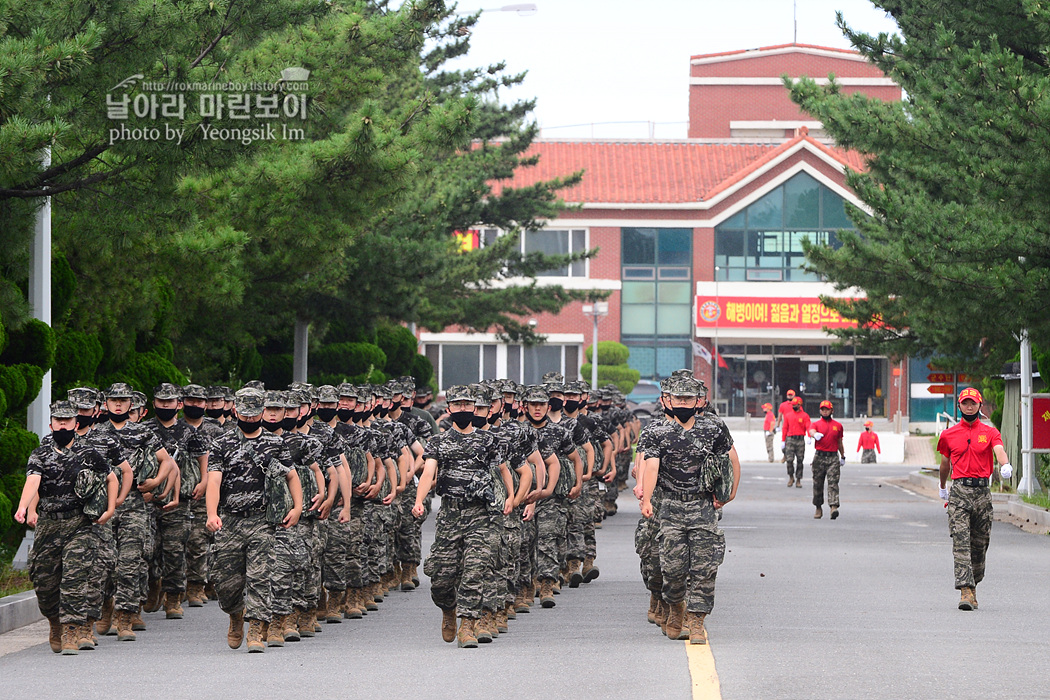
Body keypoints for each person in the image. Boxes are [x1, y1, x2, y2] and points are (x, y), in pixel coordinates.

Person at [640, 375, 738, 645]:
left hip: (703, 506)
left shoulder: (713, 428)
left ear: (698, 400)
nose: (683, 402)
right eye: (678, 398)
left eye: (688, 398)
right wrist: (647, 500)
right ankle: (674, 607)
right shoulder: (656, 431)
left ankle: (696, 621)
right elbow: (650, 466)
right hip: (670, 506)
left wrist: (728, 493)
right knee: (672, 569)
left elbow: (729, 459)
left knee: (705, 567)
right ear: (668, 400)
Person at [15, 401, 118, 654]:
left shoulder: (89, 453)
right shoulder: (40, 454)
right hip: (49, 524)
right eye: (58, 420)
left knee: (75, 577)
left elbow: (111, 477)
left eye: (68, 420)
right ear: (51, 425)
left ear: (75, 423)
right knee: (45, 582)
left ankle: (71, 630)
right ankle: (54, 621)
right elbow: (33, 480)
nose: (63, 424)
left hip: (79, 523)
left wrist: (111, 508)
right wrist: (23, 506)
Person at [206, 389, 303, 652]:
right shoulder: (222, 444)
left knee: (260, 577)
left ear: (262, 413)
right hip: (230, 521)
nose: (249, 419)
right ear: (236, 412)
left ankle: (256, 630)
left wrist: (297, 507)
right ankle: (236, 615)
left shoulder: (275, 443)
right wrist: (212, 514)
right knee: (227, 583)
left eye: (254, 414)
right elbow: (214, 481)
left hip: (262, 520)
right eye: (244, 414)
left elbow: (291, 476)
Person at [413, 385, 505, 648]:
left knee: (475, 571)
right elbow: (429, 473)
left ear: (474, 408)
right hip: (450, 515)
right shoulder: (438, 442)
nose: (463, 409)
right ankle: (448, 610)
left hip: (480, 515)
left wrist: (508, 499)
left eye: (468, 405)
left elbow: (501, 472)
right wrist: (419, 500)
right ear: (450, 408)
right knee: (441, 578)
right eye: (458, 405)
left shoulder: (488, 441)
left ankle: (468, 626)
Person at [936, 387, 1012, 611]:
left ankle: (974, 581)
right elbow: (944, 464)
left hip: (982, 494)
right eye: (965, 403)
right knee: (960, 542)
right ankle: (965, 591)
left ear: (980, 406)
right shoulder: (948, 434)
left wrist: (1004, 464)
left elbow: (999, 449)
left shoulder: (989, 432)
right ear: (959, 406)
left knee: (979, 545)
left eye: (973, 403)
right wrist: (942, 487)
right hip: (959, 492)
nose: (969, 407)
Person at [810, 400, 845, 520]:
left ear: (832, 410)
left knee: (833, 483)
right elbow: (811, 431)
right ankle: (818, 507)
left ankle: (833, 507)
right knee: (818, 484)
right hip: (819, 457)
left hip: (833, 457)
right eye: (823, 409)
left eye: (827, 409)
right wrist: (814, 435)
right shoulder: (816, 424)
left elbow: (840, 442)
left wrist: (843, 456)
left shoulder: (838, 426)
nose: (825, 412)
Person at [780, 396, 813, 487]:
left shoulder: (805, 416)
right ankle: (791, 477)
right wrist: (783, 440)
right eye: (793, 405)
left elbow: (808, 426)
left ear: (800, 405)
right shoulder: (788, 415)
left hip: (800, 440)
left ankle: (798, 479)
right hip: (790, 439)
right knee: (789, 460)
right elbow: (785, 428)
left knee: (800, 460)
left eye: (795, 405)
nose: (794, 406)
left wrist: (809, 436)